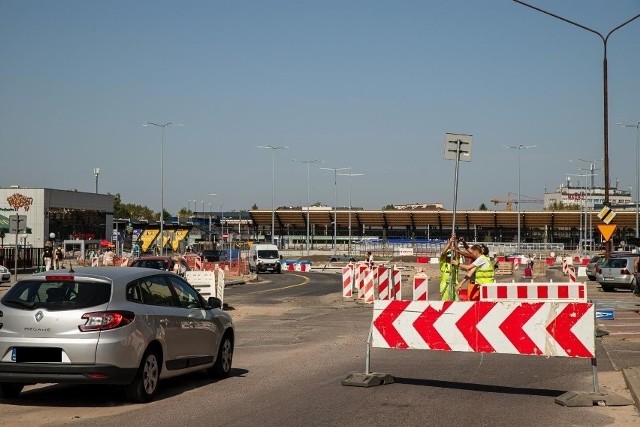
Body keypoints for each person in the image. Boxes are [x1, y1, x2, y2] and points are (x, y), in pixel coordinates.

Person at [439, 237, 458, 301]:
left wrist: (455, 241)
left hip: (454, 284)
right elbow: (443, 253)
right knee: (445, 303)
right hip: (445, 285)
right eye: (448, 256)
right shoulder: (443, 263)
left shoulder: (455, 262)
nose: (449, 258)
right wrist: (449, 243)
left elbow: (458, 252)